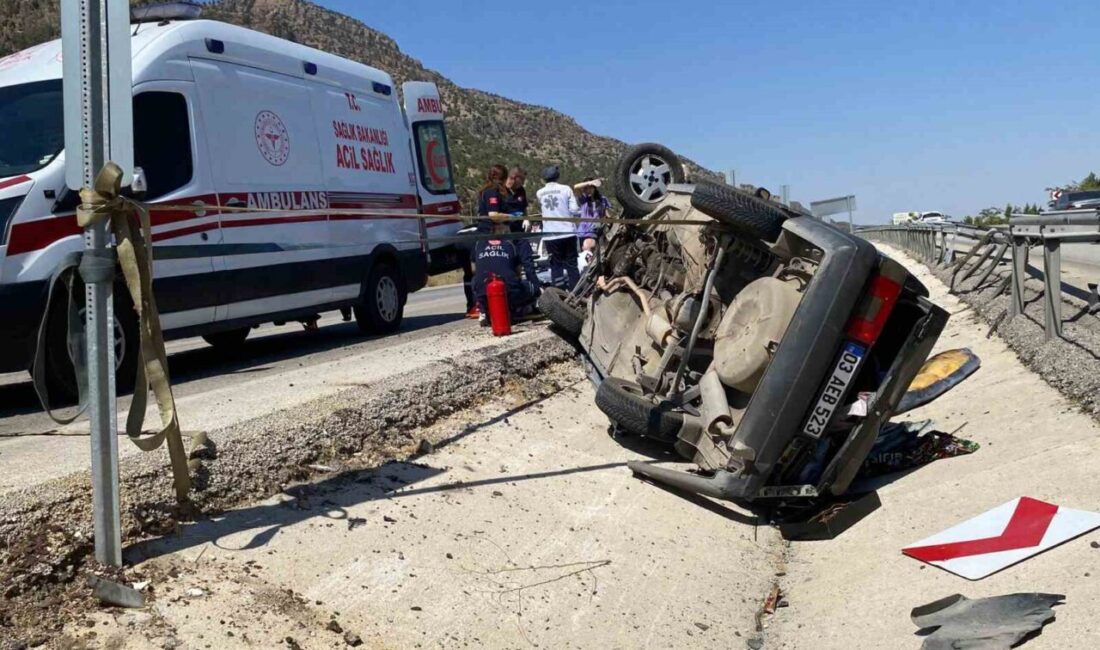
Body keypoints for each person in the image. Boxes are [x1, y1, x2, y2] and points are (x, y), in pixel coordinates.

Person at [472, 226, 542, 326]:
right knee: (529, 286)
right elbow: (517, 273)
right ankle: (533, 303)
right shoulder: (510, 245)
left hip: (485, 294)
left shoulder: (479, 245)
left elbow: (474, 270)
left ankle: (483, 310)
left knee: (475, 281)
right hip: (509, 293)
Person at [535, 165, 581, 290]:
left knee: (555, 265)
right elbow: (574, 209)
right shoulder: (566, 189)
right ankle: (575, 292)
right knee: (571, 264)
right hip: (567, 232)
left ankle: (558, 292)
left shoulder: (539, 193)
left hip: (550, 235)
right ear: (557, 176)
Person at [574, 177, 610, 267]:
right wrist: (590, 182)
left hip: (595, 231)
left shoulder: (602, 199)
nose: (588, 190)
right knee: (587, 256)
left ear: (594, 188)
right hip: (582, 232)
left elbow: (606, 215)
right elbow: (576, 187)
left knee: (588, 247)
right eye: (585, 188)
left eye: (590, 188)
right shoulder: (584, 200)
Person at [476, 164, 511, 234]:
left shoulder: (504, 191)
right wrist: (512, 216)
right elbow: (493, 215)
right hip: (490, 231)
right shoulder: (491, 192)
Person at [502, 167, 529, 233]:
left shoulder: (521, 190)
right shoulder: (501, 190)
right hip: (505, 228)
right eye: (522, 180)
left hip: (519, 228)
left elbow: (524, 207)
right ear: (514, 178)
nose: (523, 183)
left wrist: (526, 219)